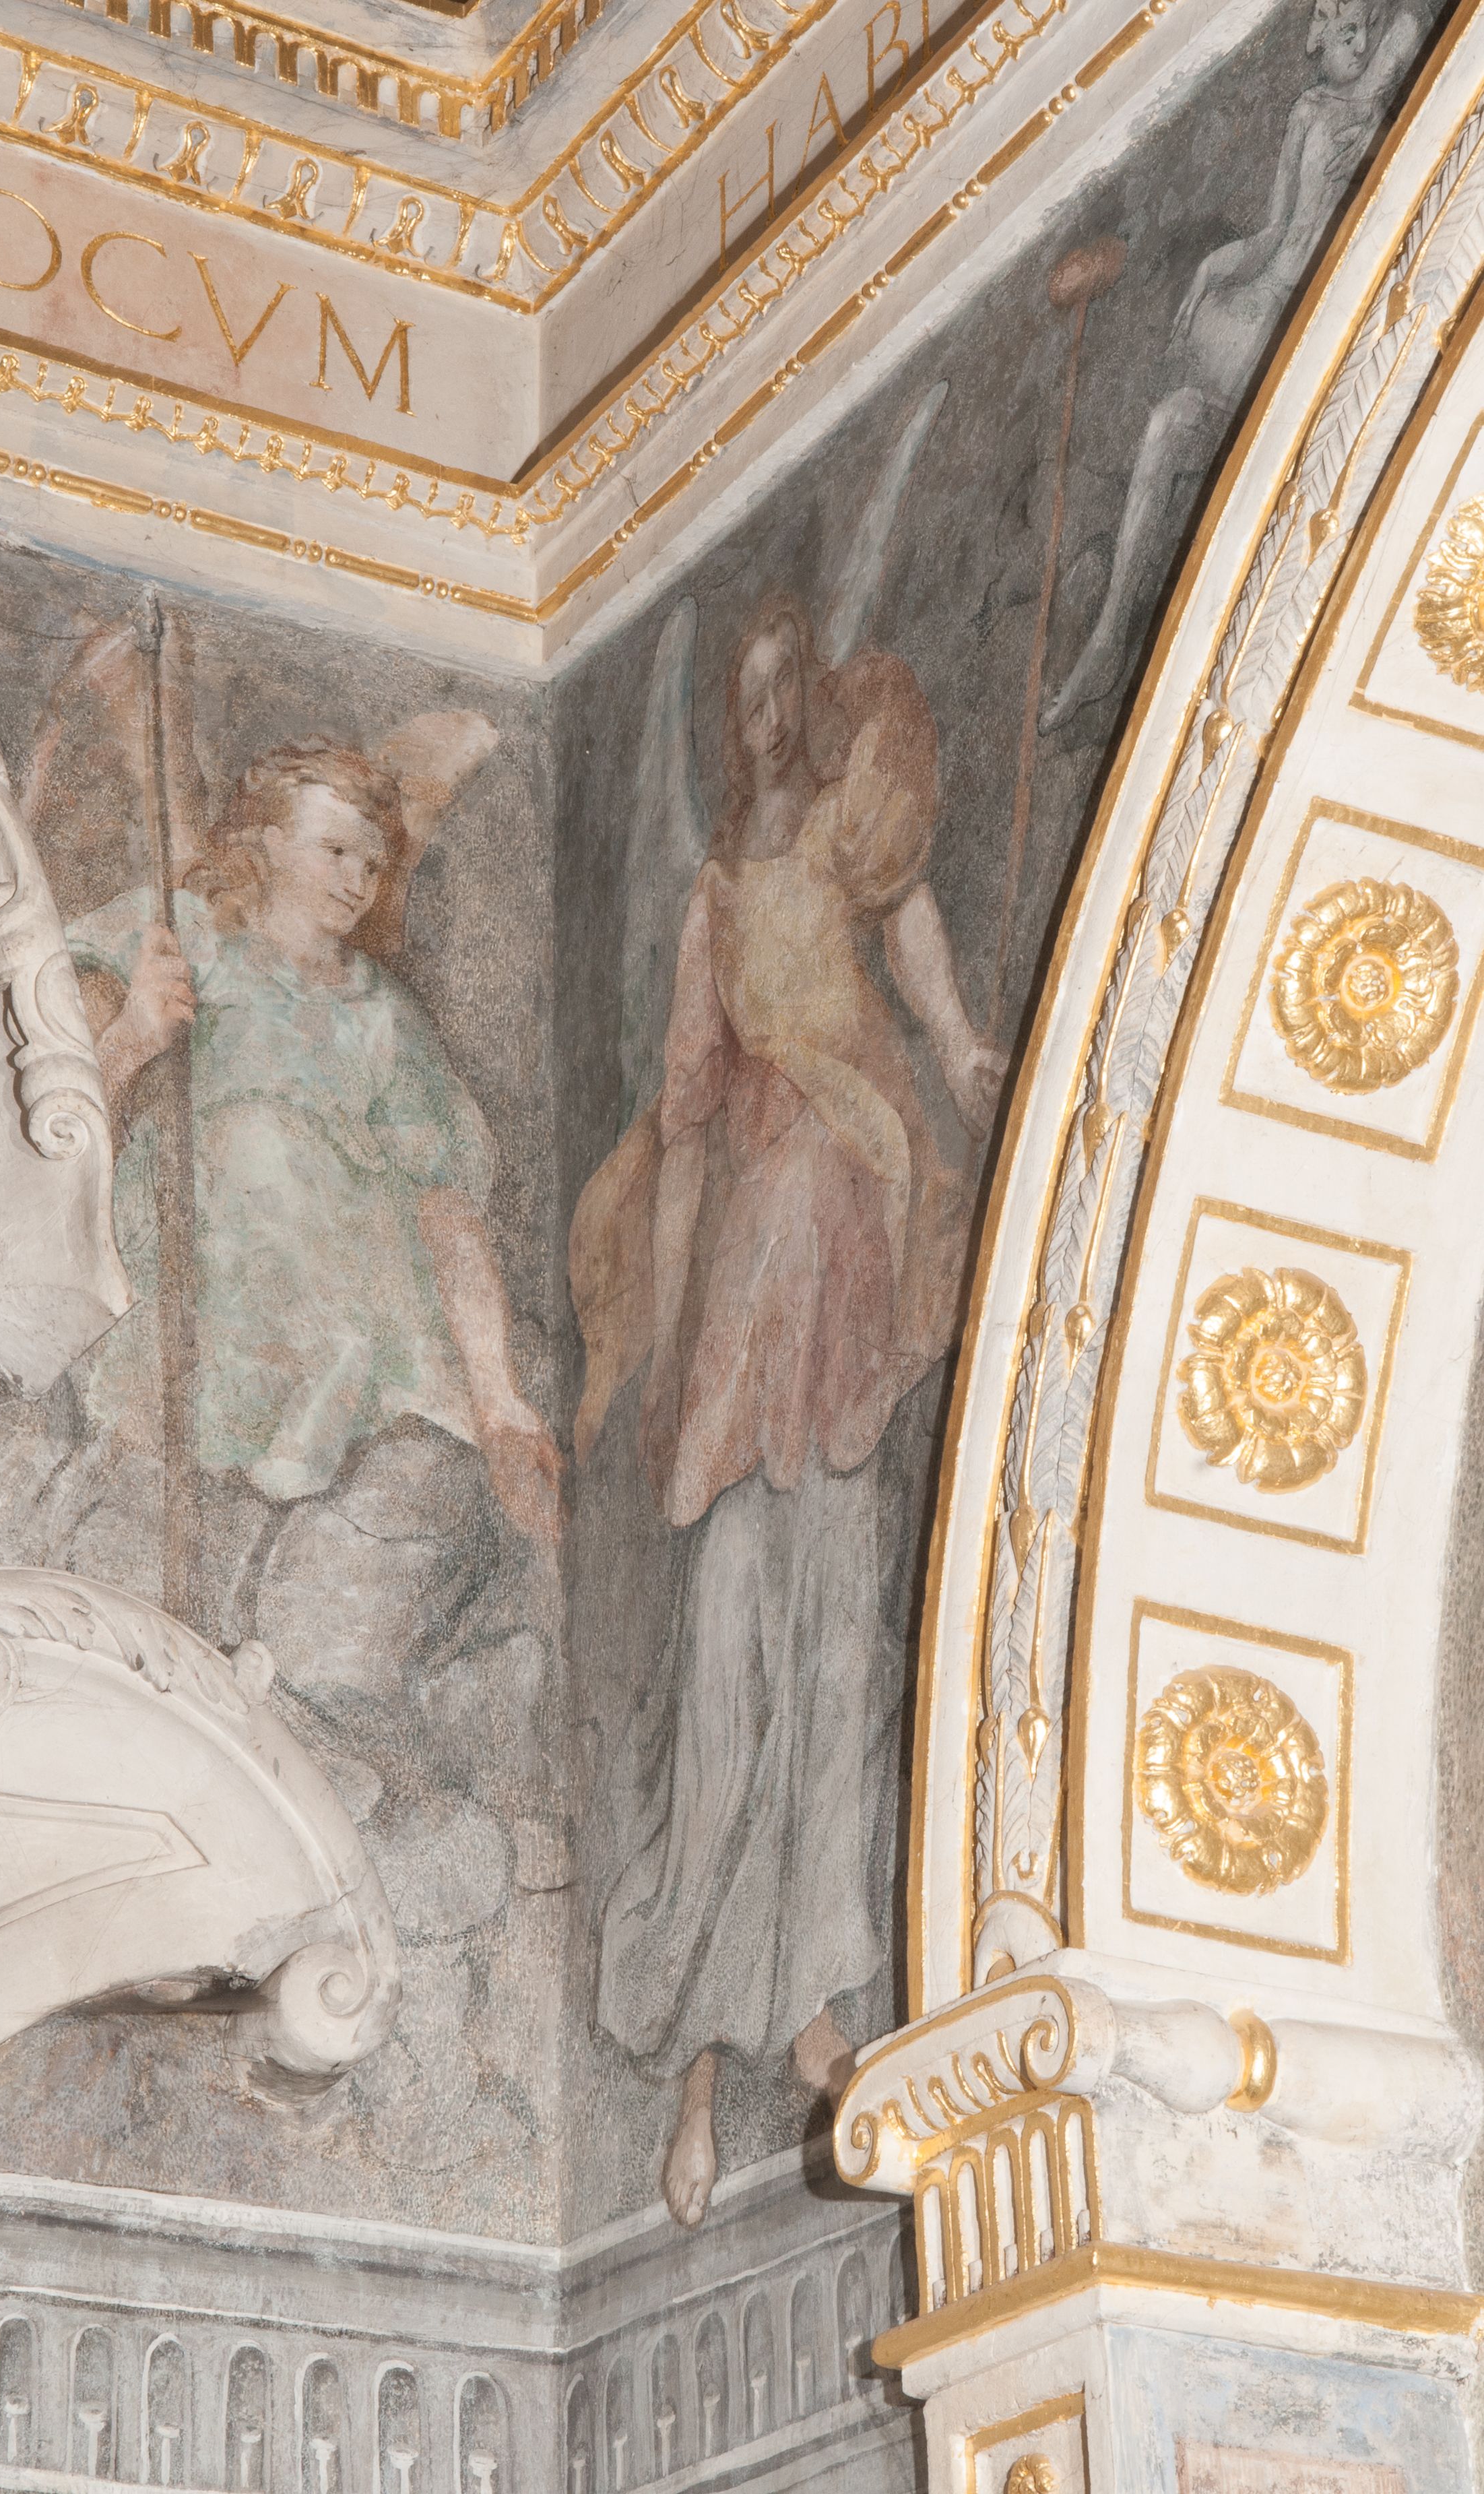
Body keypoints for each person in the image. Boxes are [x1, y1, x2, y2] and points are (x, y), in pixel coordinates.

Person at [571, 596, 1002, 2228]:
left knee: (832, 1649)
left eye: (779, 691)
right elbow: (682, 1126)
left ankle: (817, 2007)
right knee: (726, 1664)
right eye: (739, 697)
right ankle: (699, 2070)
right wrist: (661, 1349)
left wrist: (956, 1046)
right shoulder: (715, 895)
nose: (760, 719)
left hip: (852, 1228)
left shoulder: (842, 840)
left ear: (806, 701)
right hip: (759, 1256)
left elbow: (911, 934)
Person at [67, 737, 562, 1546]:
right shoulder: (191, 939)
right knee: (263, 1151)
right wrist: (131, 1035)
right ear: (267, 840)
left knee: (371, 1388)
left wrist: (497, 1392)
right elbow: (63, 1090)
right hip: (213, 1267)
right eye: (334, 851)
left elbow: (444, 1206)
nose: (356, 882)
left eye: (372, 864)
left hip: (353, 1291)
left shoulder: (383, 1016)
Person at [1041, 0, 1425, 731]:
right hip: (1259, 313)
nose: (1354, 44)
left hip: (1314, 327)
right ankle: (1109, 643)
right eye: (1342, 30)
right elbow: (1276, 231)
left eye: (1362, 30)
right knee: (1164, 424)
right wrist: (1213, 267)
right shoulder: (1309, 112)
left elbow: (1411, 35)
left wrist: (1378, 108)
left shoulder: (1388, 89)